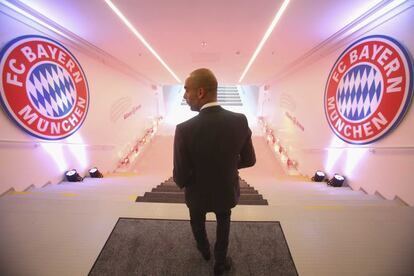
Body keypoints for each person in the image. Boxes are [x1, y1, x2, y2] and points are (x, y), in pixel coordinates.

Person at [173, 68, 256, 275]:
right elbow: (249, 160)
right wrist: (227, 164)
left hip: (197, 195)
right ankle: (220, 261)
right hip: (225, 191)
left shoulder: (184, 129)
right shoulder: (240, 121)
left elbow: (180, 177)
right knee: (224, 220)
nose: (184, 96)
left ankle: (204, 250)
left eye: (186, 90)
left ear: (200, 92)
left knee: (197, 222)